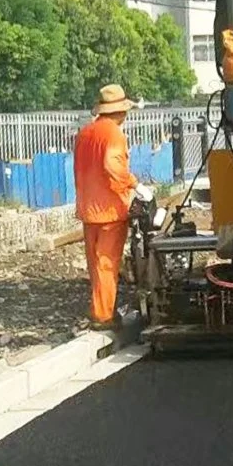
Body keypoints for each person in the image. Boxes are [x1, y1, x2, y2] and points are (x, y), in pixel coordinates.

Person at [73, 84, 148, 330]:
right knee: (107, 262)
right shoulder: (114, 135)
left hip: (88, 209)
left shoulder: (85, 133)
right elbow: (113, 167)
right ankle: (104, 316)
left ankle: (98, 308)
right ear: (120, 112)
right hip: (110, 210)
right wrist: (135, 185)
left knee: (95, 263)